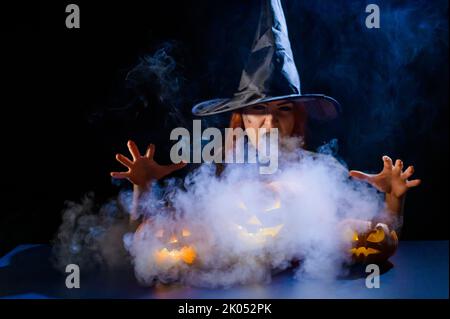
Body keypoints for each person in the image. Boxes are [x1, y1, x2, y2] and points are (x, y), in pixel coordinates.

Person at [110, 0, 420, 263]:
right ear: (241, 118)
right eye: (258, 110)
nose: (269, 123)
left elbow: (379, 238)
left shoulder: (321, 172)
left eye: (282, 110)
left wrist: (394, 199)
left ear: (296, 119)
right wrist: (144, 189)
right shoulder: (216, 173)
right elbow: (148, 241)